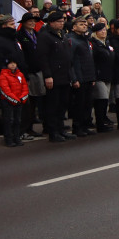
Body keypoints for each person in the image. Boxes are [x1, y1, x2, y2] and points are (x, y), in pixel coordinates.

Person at [37, 11, 76, 143]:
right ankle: (53, 132)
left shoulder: (62, 35)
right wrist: (48, 75)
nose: (62, 23)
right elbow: (43, 58)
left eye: (62, 21)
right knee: (53, 105)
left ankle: (61, 129)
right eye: (59, 21)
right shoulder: (45, 36)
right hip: (53, 76)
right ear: (51, 22)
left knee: (63, 104)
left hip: (65, 75)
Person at [0, 57, 29, 147]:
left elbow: (25, 87)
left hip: (19, 101)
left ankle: (17, 137)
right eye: (10, 63)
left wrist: (22, 98)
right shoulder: (3, 75)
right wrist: (15, 100)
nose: (13, 65)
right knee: (9, 120)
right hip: (8, 102)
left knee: (17, 120)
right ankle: (9, 138)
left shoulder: (20, 74)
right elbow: (5, 90)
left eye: (14, 63)